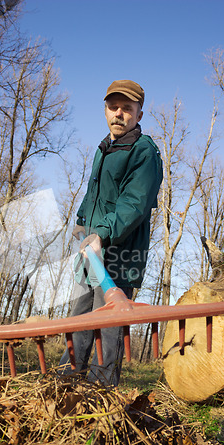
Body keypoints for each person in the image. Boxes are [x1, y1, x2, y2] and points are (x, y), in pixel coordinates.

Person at [58, 79, 163, 386]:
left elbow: (134, 204)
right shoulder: (105, 148)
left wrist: (102, 234)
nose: (119, 113)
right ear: (105, 110)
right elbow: (94, 194)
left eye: (126, 108)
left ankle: (101, 393)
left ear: (138, 115)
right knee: (80, 320)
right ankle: (64, 385)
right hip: (93, 251)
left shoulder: (145, 152)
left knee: (108, 327)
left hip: (119, 255)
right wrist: (81, 219)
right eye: (113, 107)